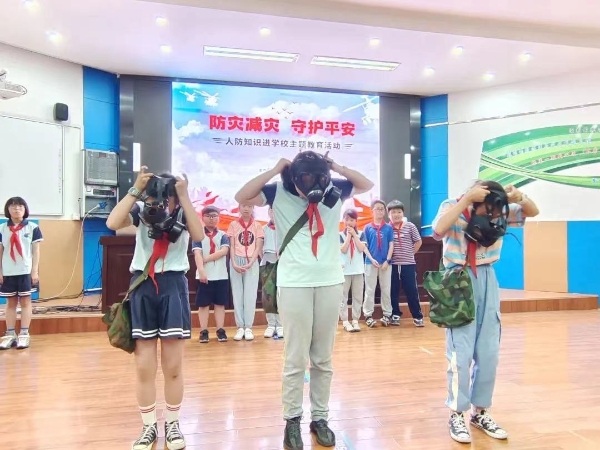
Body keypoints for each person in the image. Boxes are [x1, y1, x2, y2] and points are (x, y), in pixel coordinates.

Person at [235, 151, 373, 450]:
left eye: (319, 178)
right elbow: (241, 196)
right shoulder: (277, 192)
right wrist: (276, 169)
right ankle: (292, 419)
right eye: (306, 179)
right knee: (295, 357)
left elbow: (366, 184)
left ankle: (320, 417)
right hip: (294, 283)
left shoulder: (334, 190)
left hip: (330, 281)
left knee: (323, 358)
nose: (313, 185)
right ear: (294, 177)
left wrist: (335, 166)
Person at [431, 180, 539, 444]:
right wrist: (466, 200)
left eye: (495, 211)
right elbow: (438, 230)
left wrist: (519, 197)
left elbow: (533, 211)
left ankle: (480, 412)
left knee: (489, 352)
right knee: (460, 352)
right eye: (487, 210)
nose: (493, 217)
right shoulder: (452, 206)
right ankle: (456, 412)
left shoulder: (500, 208)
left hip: (488, 277)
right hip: (458, 279)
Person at [106, 167, 205, 450]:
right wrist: (136, 189)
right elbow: (113, 222)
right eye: (155, 193)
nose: (160, 199)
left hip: (173, 285)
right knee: (144, 366)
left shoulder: (183, 211)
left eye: (166, 193)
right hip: (143, 285)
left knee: (173, 366)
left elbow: (198, 233)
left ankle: (172, 424)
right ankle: (148, 426)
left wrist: (184, 197)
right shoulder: (141, 209)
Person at [0, 197, 42, 350]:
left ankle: (24, 333)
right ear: (8, 210)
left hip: (26, 271)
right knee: (10, 303)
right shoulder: (2, 229)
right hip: (8, 271)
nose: (16, 209)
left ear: (25, 209)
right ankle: (10, 334)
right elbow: (1, 251)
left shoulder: (33, 228)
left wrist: (34, 271)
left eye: (20, 206)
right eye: (13, 206)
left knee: (25, 302)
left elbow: (36, 252)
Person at [192, 205, 230, 343]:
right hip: (204, 275)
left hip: (221, 275)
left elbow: (224, 251)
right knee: (203, 304)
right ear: (202, 218)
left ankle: (220, 330)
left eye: (214, 216)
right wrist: (201, 270)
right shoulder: (198, 235)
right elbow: (197, 253)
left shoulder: (223, 235)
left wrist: (205, 259)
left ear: (218, 218)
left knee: (220, 304)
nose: (211, 218)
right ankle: (203, 331)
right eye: (208, 216)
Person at [226, 203, 264, 341]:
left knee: (250, 294)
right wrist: (234, 263)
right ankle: (240, 327)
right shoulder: (233, 225)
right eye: (243, 206)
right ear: (239, 208)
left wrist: (251, 262)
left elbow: (258, 247)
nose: (246, 208)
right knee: (237, 295)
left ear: (253, 208)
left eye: (249, 206)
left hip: (251, 262)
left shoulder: (257, 226)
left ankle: (248, 327)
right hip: (236, 261)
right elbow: (232, 246)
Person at [387, 199, 424, 327]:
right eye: (393, 212)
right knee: (393, 291)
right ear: (389, 215)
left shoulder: (410, 226)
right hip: (392, 265)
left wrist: (410, 254)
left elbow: (418, 241)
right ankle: (395, 315)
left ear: (403, 213)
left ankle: (417, 316)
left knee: (411, 290)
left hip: (408, 264)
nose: (396, 214)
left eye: (399, 212)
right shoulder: (387, 228)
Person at [361, 200, 394, 327]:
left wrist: (387, 260)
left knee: (386, 289)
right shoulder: (367, 228)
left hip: (386, 264)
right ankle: (368, 315)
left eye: (382, 209)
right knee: (370, 289)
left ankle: (387, 314)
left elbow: (391, 245)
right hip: (370, 263)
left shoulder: (389, 228)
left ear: (385, 211)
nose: (380, 211)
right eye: (377, 208)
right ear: (372, 211)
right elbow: (364, 246)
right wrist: (371, 259)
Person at [339, 208, 369, 332]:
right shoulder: (340, 235)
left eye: (352, 220)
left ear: (356, 221)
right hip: (344, 271)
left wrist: (355, 236)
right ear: (343, 220)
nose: (349, 222)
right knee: (343, 297)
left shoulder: (361, 234)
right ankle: (345, 321)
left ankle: (355, 320)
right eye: (347, 219)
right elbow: (343, 249)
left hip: (358, 270)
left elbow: (361, 249)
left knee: (358, 296)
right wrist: (348, 236)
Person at [261, 207, 283, 339]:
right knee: (268, 294)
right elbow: (259, 248)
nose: (274, 213)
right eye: (272, 210)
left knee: (281, 294)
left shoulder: (284, 227)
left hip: (282, 261)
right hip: (267, 261)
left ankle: (280, 325)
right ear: (269, 212)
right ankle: (270, 325)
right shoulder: (263, 229)